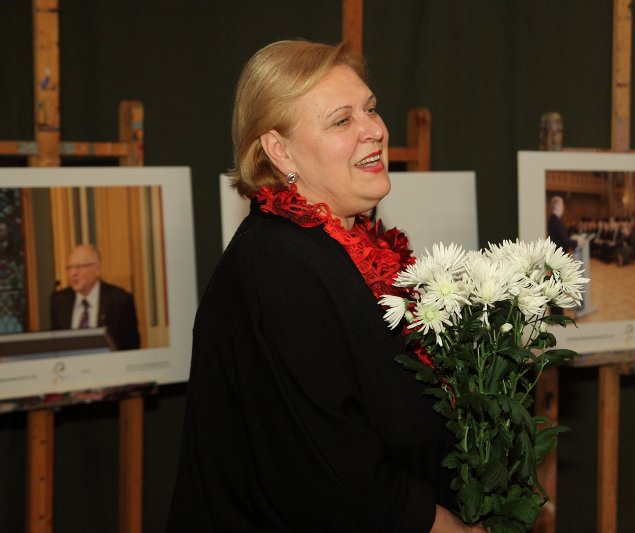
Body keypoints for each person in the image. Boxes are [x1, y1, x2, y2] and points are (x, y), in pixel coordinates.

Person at [167, 40, 485, 532]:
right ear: (279, 149)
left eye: (371, 109)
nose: (374, 130)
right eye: (342, 121)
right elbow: (333, 470)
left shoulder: (342, 247)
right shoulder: (277, 265)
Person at [50, 244, 140, 351]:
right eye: (69, 268)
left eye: (79, 267)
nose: (73, 273)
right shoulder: (59, 301)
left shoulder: (120, 300)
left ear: (96, 269)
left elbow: (131, 348)